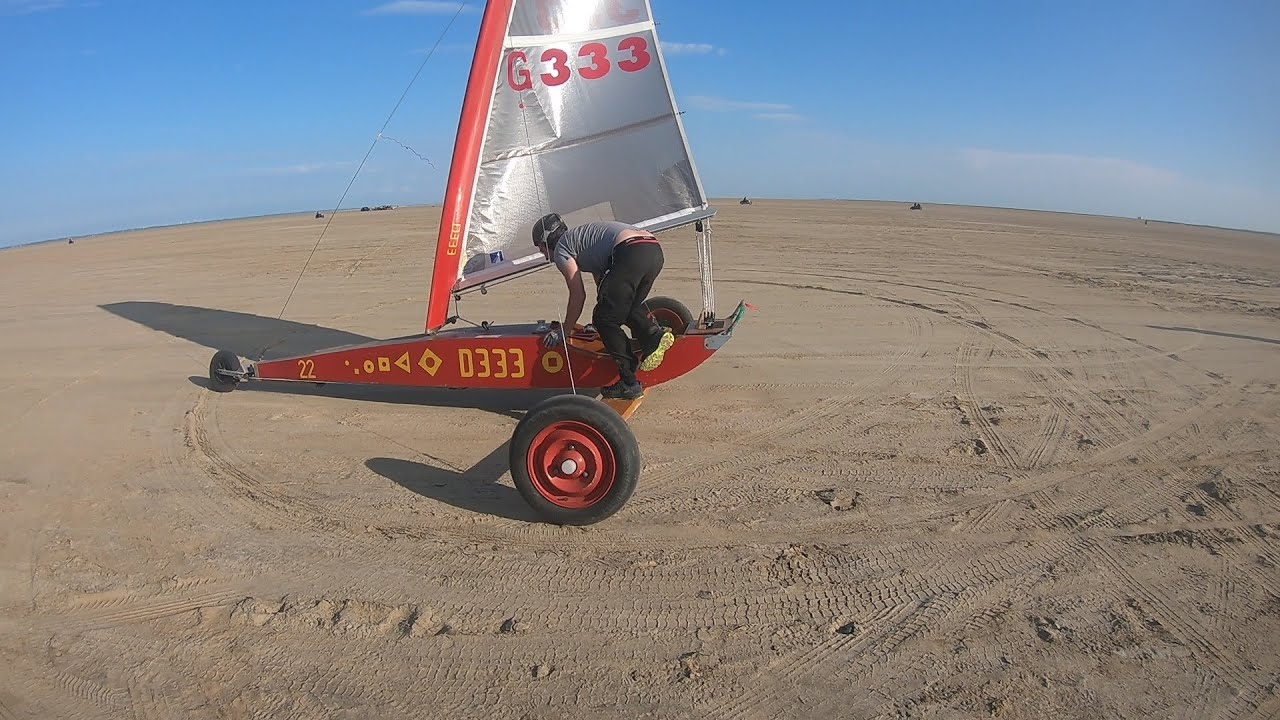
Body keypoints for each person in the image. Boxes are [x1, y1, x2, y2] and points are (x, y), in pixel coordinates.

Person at [532, 213, 675, 400]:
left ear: (545, 242)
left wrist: (563, 331)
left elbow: (578, 295)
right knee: (624, 306)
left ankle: (629, 382)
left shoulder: (561, 250)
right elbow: (605, 288)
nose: (544, 256)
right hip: (652, 249)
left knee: (604, 319)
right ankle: (654, 337)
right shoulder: (581, 240)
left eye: (541, 249)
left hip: (630, 252)